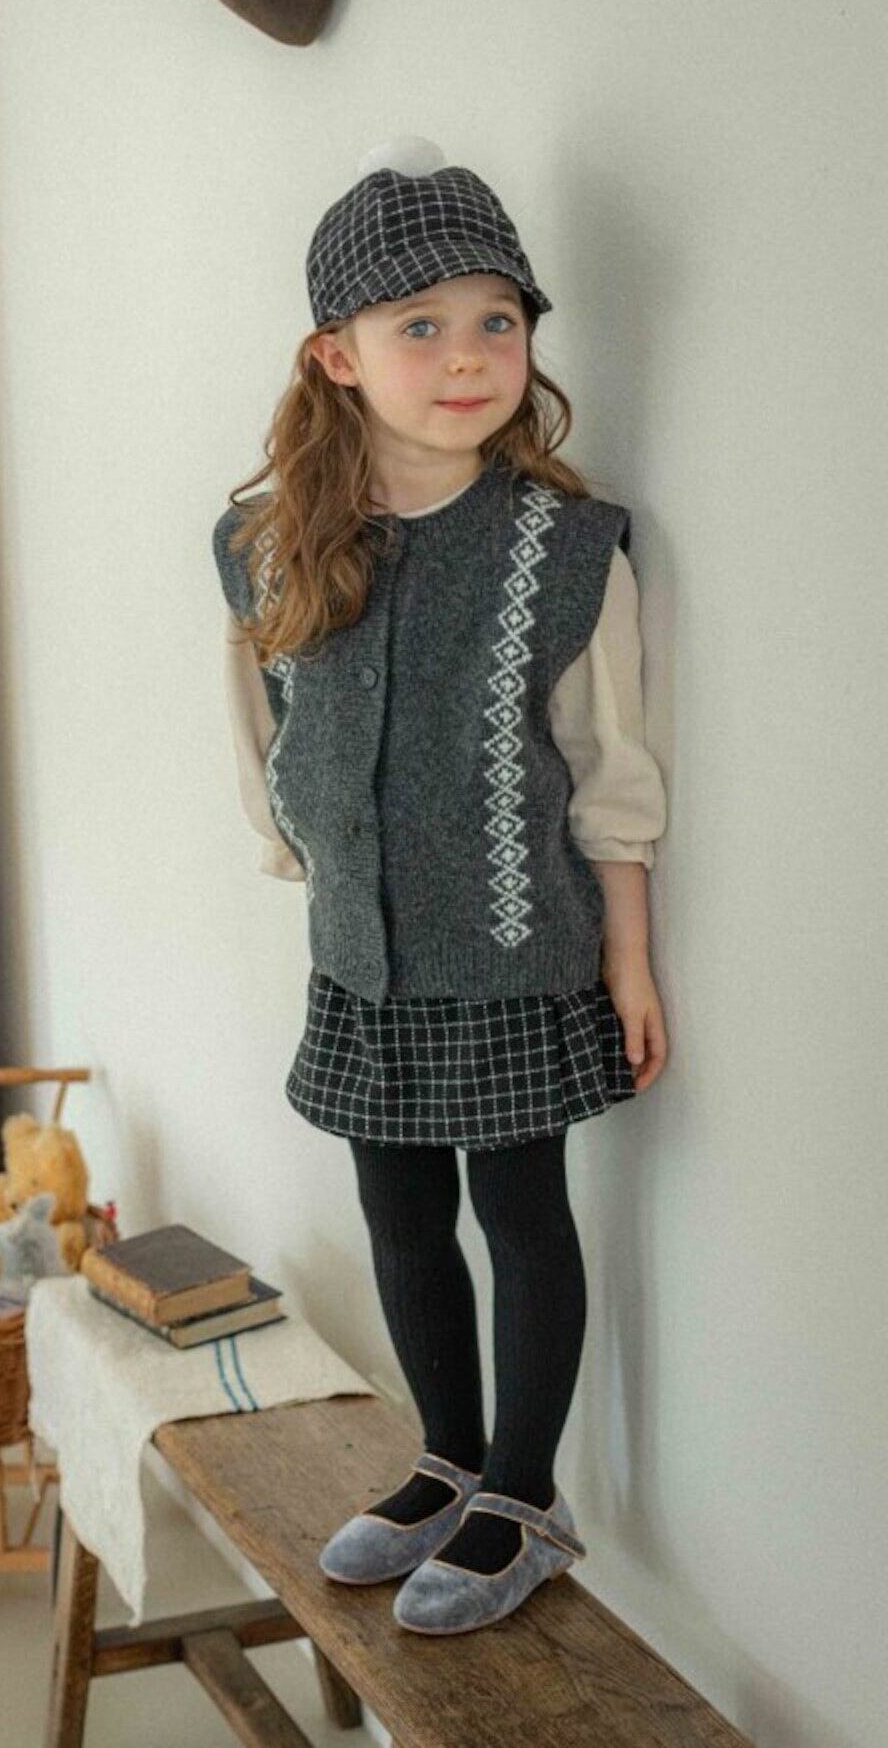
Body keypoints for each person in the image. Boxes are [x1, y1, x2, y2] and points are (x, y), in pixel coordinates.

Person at [210, 138, 669, 1637]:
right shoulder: (267, 546)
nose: (468, 355)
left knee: (520, 1213)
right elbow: (261, 733)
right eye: (421, 325)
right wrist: (316, 866)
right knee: (399, 1212)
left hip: (519, 950)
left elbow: (609, 772)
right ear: (337, 355)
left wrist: (629, 963)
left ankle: (525, 1497)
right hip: (360, 955)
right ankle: (447, 1462)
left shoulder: (567, 545)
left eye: (497, 320)